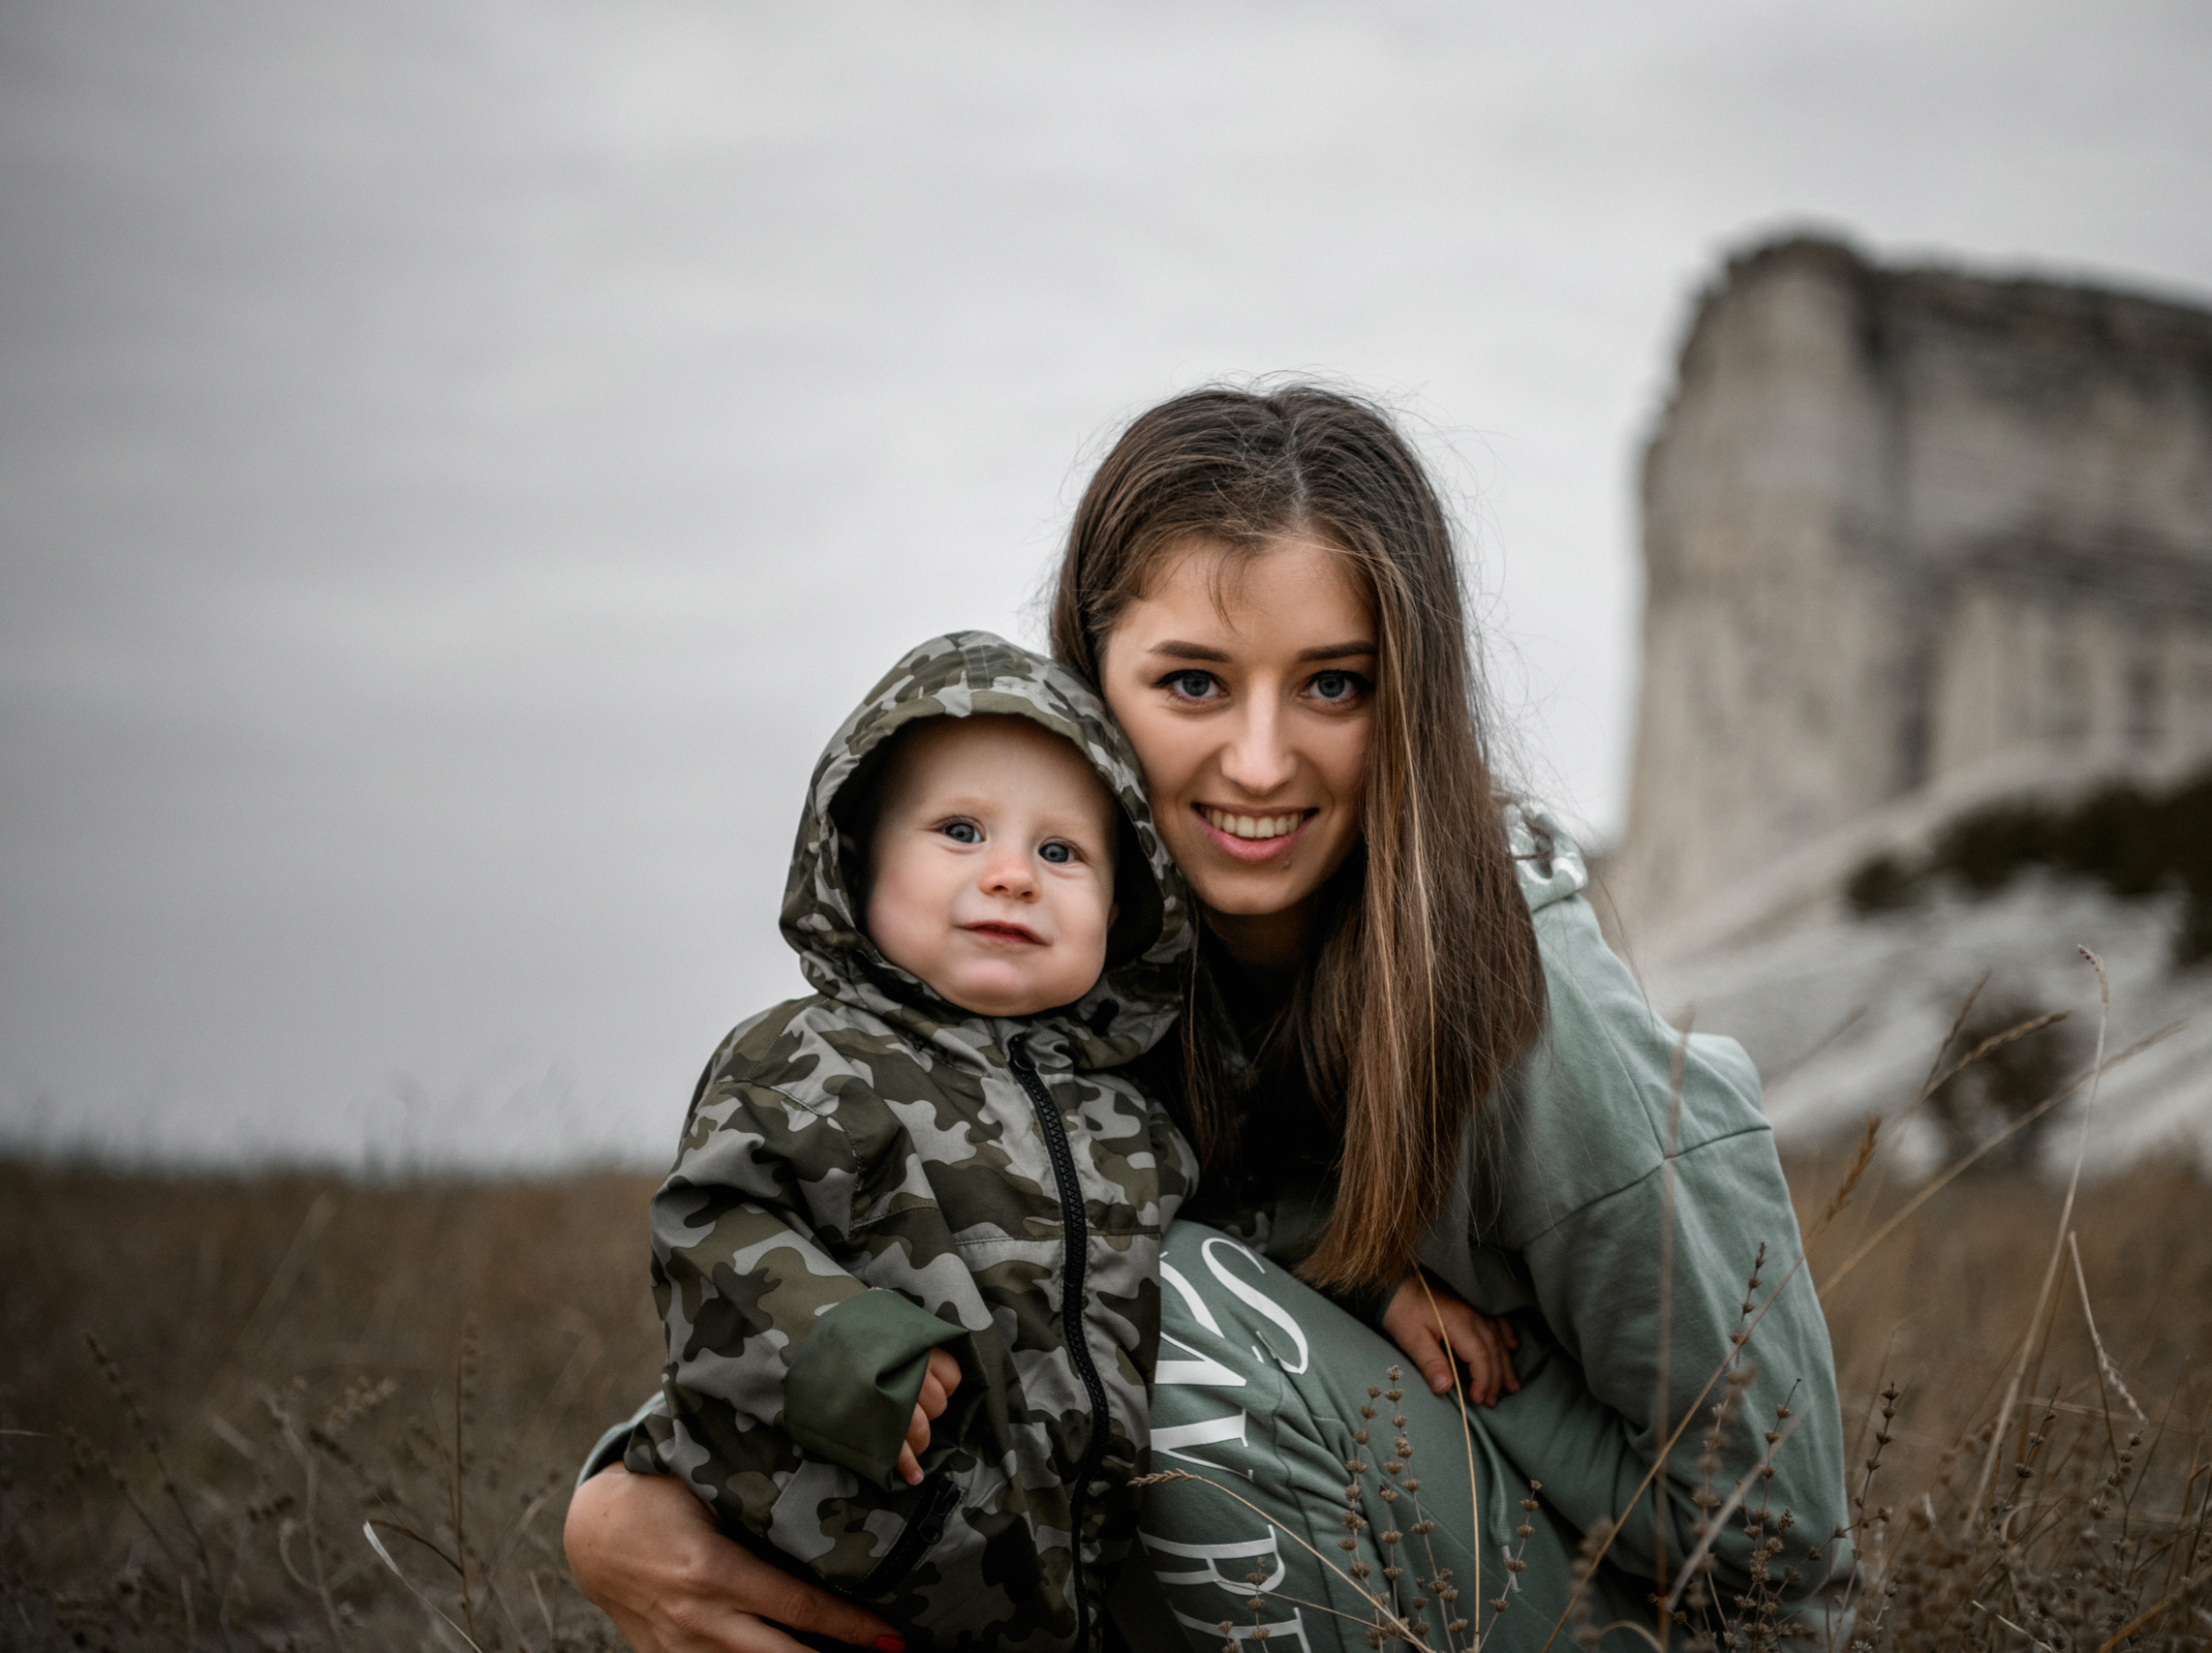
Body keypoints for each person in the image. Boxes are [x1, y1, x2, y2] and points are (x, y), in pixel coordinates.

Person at [566, 384, 1849, 1653]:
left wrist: (1361, 1344)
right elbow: (908, 1262)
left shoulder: (1535, 1009)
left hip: (1637, 1614)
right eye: (1191, 681)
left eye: (1333, 685)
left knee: (1161, 1320)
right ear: (1090, 690)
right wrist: (619, 1490)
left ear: (1408, 695)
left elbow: (1782, 1544)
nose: (1257, 759)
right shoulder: (1077, 985)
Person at [615, 630, 1199, 1652]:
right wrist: (838, 1338)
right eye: (961, 831)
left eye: (1061, 852)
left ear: (1124, 904)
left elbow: (1227, 1239)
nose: (1014, 875)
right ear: (862, 859)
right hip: (850, 1569)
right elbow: (706, 1228)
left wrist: (1372, 1284)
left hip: (1072, 1597)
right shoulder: (805, 1061)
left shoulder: (1133, 1118)